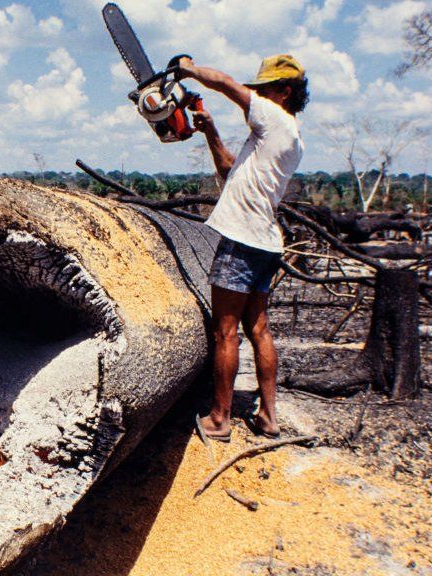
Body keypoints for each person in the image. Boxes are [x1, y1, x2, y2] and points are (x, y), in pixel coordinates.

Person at [177, 54, 309, 441]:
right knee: (259, 329)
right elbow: (228, 169)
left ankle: (220, 419)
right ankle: (268, 417)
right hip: (265, 241)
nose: (257, 95)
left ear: (284, 92)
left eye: (265, 89)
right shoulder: (288, 136)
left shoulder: (273, 117)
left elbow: (224, 82)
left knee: (225, 332)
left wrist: (186, 67)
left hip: (242, 239)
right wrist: (210, 131)